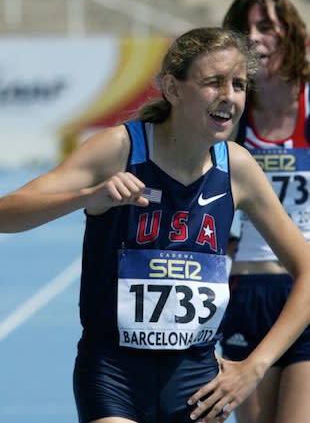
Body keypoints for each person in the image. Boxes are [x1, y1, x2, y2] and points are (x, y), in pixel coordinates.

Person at [1, 26, 310, 423]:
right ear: (173, 89)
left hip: (198, 383)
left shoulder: (236, 167)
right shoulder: (120, 149)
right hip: (114, 375)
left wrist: (254, 365)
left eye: (237, 84)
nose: (228, 96)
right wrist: (87, 197)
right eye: (213, 82)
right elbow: (7, 212)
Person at [219, 0, 310, 423]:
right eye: (245, 31)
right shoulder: (231, 113)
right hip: (248, 291)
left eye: (267, 27)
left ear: (289, 33)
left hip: (305, 289)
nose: (255, 39)